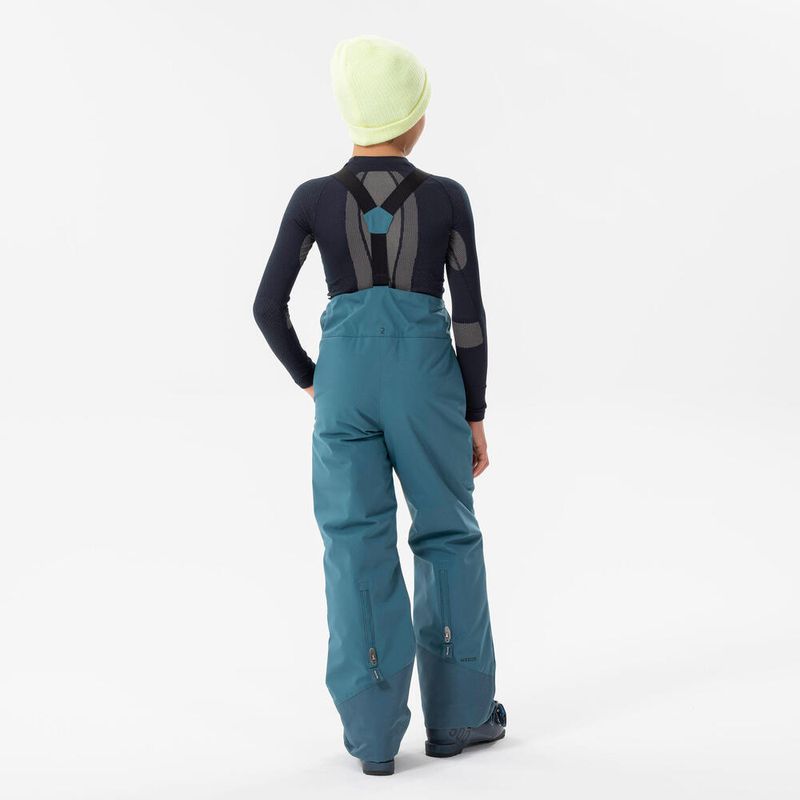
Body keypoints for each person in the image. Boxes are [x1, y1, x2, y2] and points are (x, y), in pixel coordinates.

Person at [253, 34, 506, 776]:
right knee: (448, 532)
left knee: (355, 542)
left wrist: (313, 379)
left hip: (345, 383)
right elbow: (469, 320)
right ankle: (458, 718)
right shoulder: (447, 198)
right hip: (427, 382)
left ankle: (371, 737)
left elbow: (267, 307)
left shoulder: (313, 199)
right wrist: (474, 410)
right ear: (415, 117)